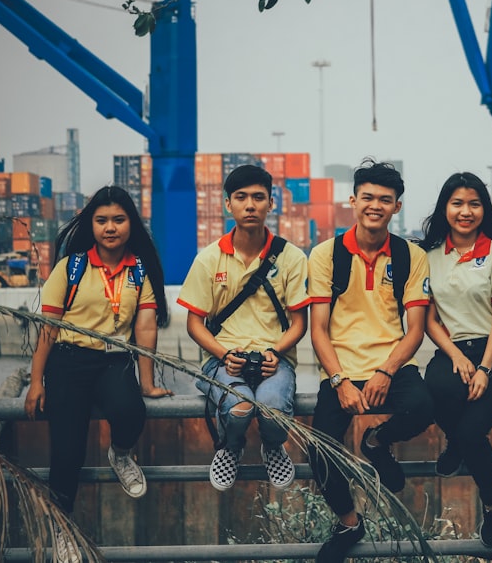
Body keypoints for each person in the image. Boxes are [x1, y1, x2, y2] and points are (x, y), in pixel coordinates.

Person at [24, 186, 172, 563]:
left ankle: (120, 454)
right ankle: (63, 532)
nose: (110, 228)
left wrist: (149, 382)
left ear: (131, 224)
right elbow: (48, 326)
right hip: (70, 361)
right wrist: (36, 381)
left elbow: (146, 326)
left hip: (114, 360)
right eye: (102, 220)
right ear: (90, 224)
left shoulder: (139, 269)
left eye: (118, 220)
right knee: (68, 450)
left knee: (130, 412)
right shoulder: (71, 266)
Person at [306, 159, 433, 563]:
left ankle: (376, 441)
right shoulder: (325, 255)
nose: (374, 205)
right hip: (343, 369)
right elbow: (319, 329)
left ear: (397, 206)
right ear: (352, 201)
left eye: (385, 199)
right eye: (367, 197)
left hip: (391, 364)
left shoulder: (411, 256)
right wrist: (340, 380)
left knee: (424, 406)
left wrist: (385, 371)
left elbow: (415, 330)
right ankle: (348, 522)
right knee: (320, 451)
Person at [177, 165, 309, 491]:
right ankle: (230, 446)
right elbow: (194, 323)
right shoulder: (208, 259)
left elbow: (300, 323)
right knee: (240, 409)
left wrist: (275, 352)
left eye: (258, 197)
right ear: (228, 204)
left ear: (271, 204)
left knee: (274, 413)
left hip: (274, 359)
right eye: (241, 197)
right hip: (223, 358)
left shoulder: (291, 257)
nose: (250, 205)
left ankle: (273, 446)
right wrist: (225, 353)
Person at [419, 172, 492, 547]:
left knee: (470, 430)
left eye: (474, 204)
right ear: (445, 207)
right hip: (453, 348)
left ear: (484, 210)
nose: (465, 212)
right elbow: (428, 317)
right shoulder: (429, 256)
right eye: (457, 203)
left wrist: (484, 369)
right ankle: (455, 440)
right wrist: (458, 357)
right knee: (434, 392)